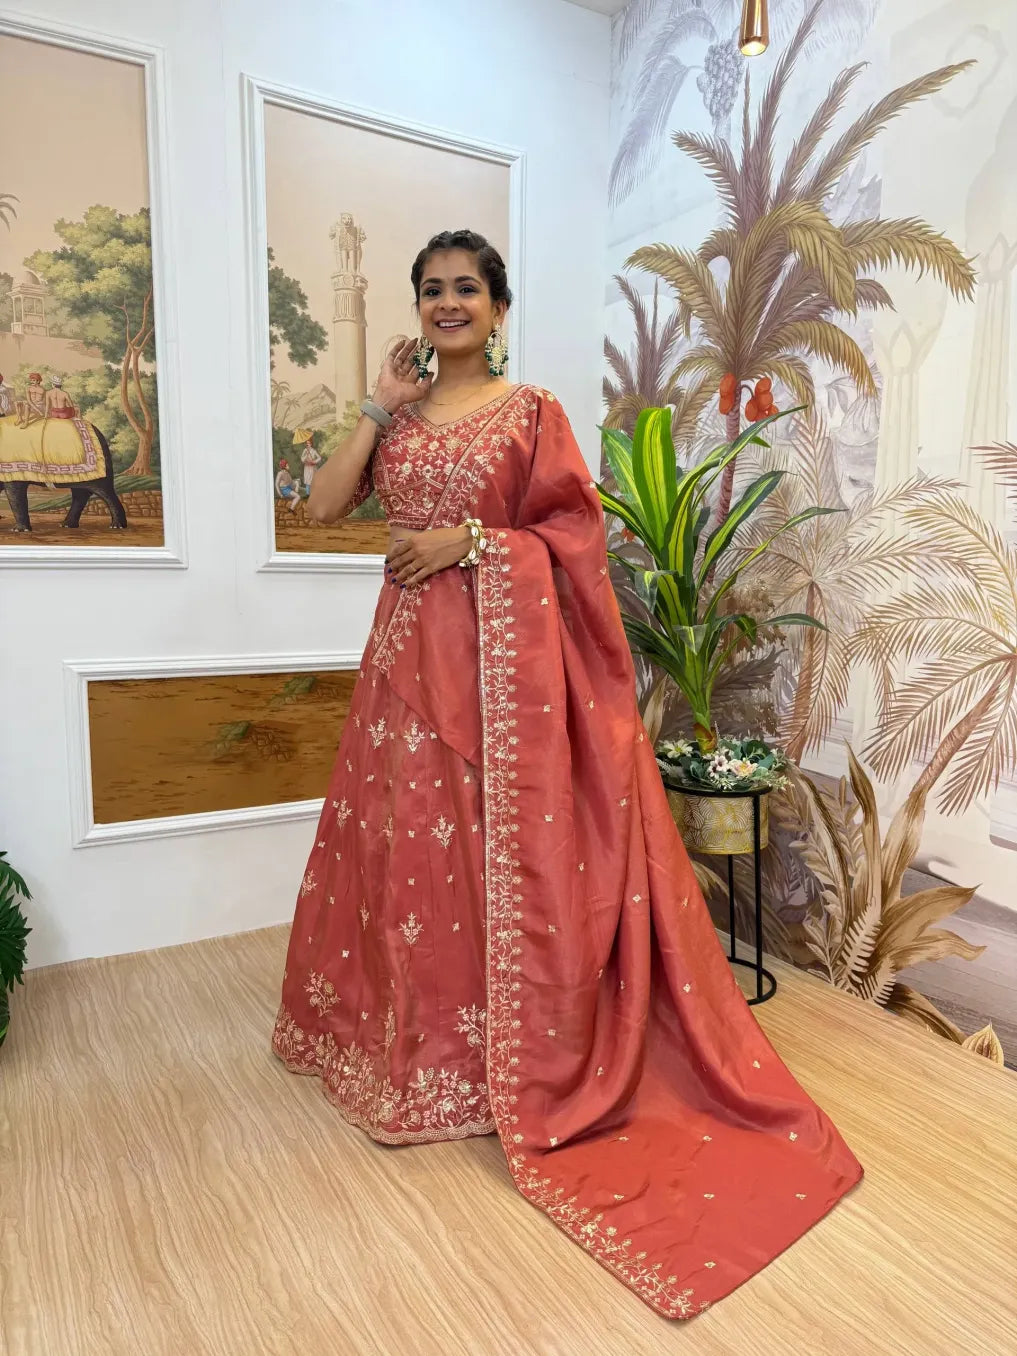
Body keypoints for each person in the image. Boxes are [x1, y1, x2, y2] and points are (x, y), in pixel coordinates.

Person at [272, 229, 862, 1320]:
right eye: (433, 291)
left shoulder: (531, 411)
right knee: (407, 863)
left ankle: (505, 1056)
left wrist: (470, 544)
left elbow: (573, 536)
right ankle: (412, 1055)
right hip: (406, 671)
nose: (449, 305)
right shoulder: (398, 415)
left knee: (486, 865)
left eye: (467, 290)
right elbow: (323, 506)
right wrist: (372, 404)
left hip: (502, 682)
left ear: (498, 307)